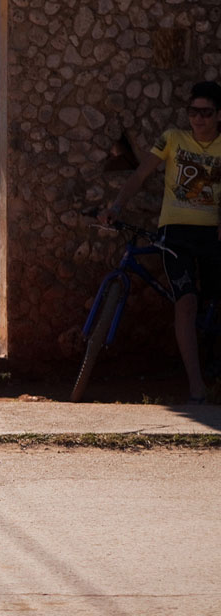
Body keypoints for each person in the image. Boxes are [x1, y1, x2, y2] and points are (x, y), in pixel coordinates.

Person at [100, 80, 221, 403]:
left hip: (212, 235)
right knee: (186, 302)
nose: (198, 119)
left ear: (218, 115)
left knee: (211, 305)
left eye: (206, 113)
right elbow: (140, 176)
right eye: (193, 112)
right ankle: (196, 385)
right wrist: (115, 207)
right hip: (175, 234)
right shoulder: (173, 139)